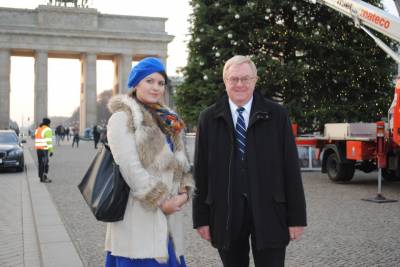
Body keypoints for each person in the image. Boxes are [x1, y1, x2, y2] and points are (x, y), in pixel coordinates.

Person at [192, 55, 307, 267]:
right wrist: (201, 219)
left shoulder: (277, 115)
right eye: (233, 79)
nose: (240, 84)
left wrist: (297, 218)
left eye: (246, 78)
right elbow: (201, 173)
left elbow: (291, 169)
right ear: (225, 81)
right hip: (226, 214)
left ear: (255, 80)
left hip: (271, 211)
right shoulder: (208, 118)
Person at [104, 57, 194, 267]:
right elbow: (130, 169)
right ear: (136, 84)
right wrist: (163, 201)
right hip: (138, 216)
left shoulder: (168, 119)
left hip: (168, 220)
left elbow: (181, 162)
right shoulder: (122, 118)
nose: (156, 87)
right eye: (149, 81)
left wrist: (183, 192)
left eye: (161, 83)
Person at [34, 118, 53, 183]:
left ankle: (40, 177)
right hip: (44, 149)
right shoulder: (47, 129)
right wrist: (51, 151)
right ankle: (44, 177)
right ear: (48, 123)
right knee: (45, 164)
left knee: (40, 164)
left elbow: (36, 137)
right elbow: (49, 141)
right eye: (50, 123)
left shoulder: (38, 129)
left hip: (38, 149)